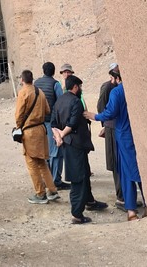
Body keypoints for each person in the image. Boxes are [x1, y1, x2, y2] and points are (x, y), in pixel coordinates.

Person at [85, 68, 147, 221]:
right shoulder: (138, 88)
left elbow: (110, 112)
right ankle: (138, 207)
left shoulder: (117, 92)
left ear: (117, 77)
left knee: (131, 172)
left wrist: (95, 116)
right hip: (139, 134)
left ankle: (136, 209)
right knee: (137, 170)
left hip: (125, 136)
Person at [51, 75, 107, 224]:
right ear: (75, 87)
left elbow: (53, 123)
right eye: (80, 87)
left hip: (69, 145)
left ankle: (89, 201)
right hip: (75, 145)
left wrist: (58, 136)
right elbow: (73, 123)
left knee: (84, 173)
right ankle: (77, 214)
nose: (81, 89)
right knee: (78, 178)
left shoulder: (59, 101)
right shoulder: (76, 101)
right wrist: (61, 135)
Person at [15, 70, 59, 205]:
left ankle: (40, 194)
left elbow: (18, 115)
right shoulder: (40, 92)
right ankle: (52, 190)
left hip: (30, 131)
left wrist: (18, 126)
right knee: (42, 162)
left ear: (22, 80)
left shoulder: (23, 92)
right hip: (41, 130)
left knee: (32, 163)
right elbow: (47, 110)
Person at [34, 62, 68, 189]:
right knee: (56, 152)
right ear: (54, 72)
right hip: (51, 123)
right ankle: (55, 180)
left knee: (44, 152)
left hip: (37, 123)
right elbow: (60, 103)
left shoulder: (36, 84)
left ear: (43, 71)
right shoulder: (55, 84)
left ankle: (46, 180)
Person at [96, 63, 123, 207]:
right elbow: (101, 107)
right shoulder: (107, 87)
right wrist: (105, 126)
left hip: (118, 128)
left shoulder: (118, 88)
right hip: (112, 128)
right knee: (116, 162)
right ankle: (121, 198)